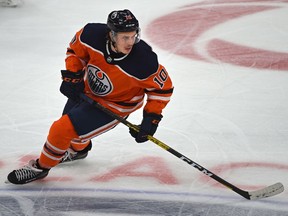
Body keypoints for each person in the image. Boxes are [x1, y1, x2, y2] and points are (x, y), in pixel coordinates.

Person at [6, 9, 174, 185]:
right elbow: (75, 51)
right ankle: (79, 150)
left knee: (61, 129)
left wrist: (151, 119)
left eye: (134, 36)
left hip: (116, 105)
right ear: (111, 34)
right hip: (87, 90)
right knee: (72, 131)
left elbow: (162, 89)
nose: (131, 42)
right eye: (125, 37)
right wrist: (73, 76)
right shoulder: (90, 35)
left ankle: (40, 167)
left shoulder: (144, 61)